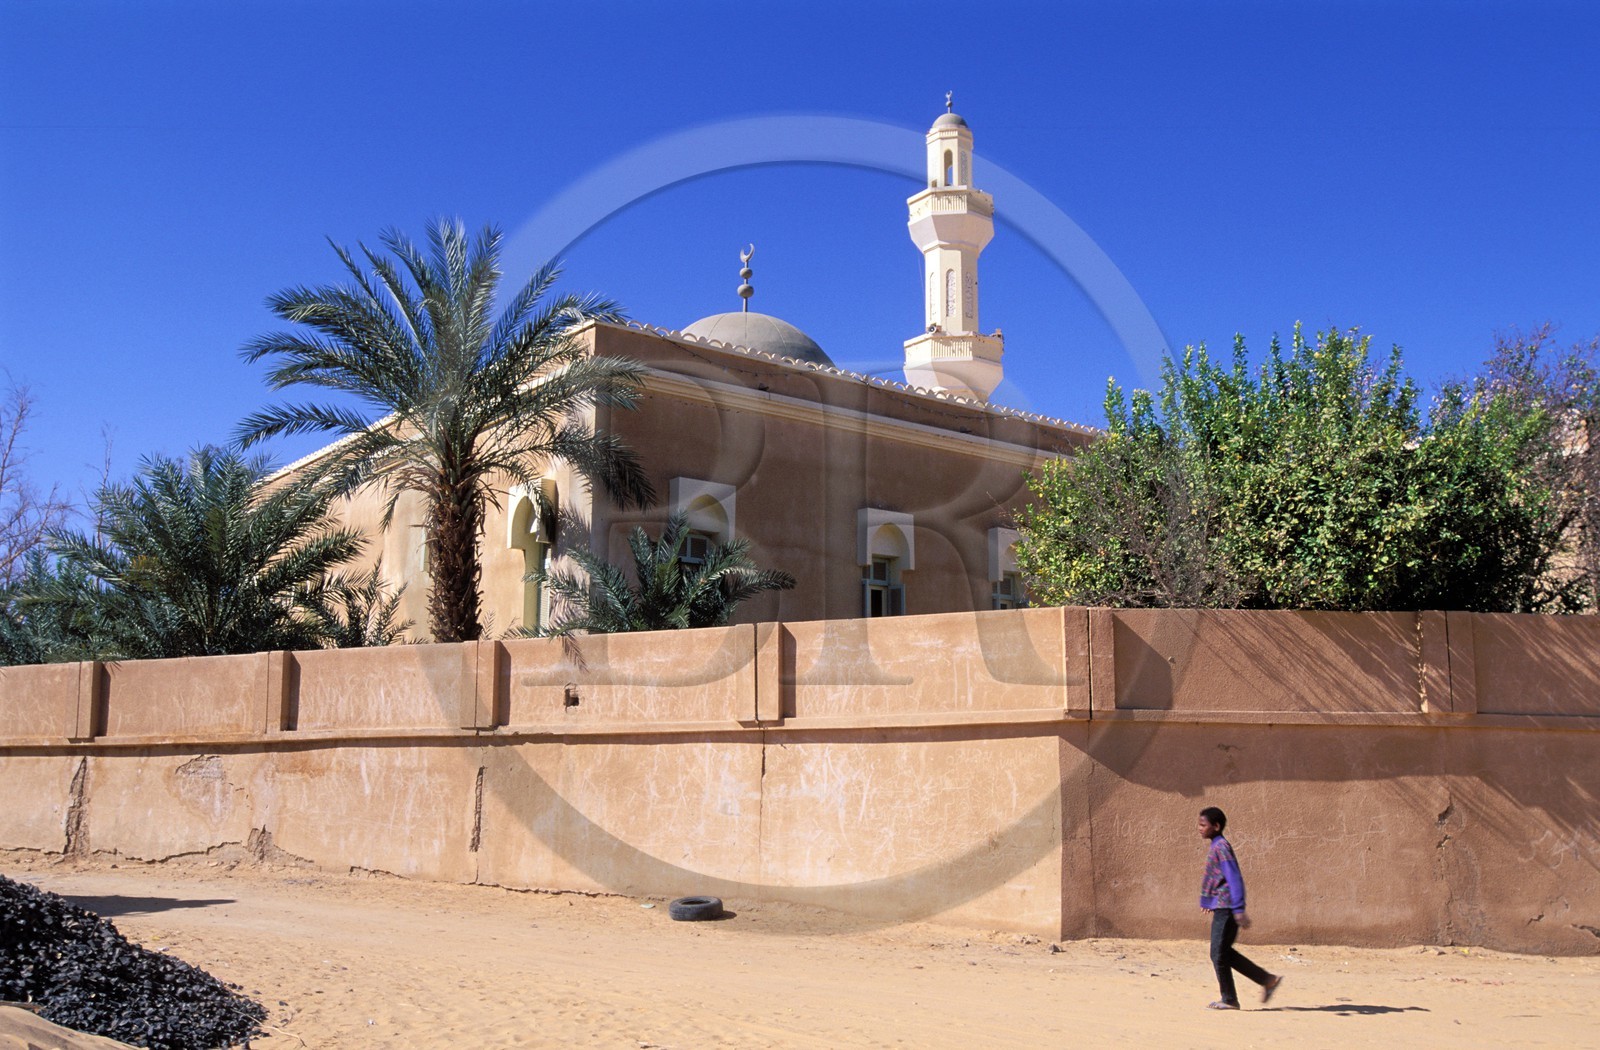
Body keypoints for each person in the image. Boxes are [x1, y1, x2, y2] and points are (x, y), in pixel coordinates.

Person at [1198, 806, 1282, 1009]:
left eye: (1203, 825)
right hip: (1223, 905)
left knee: (1218, 953)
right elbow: (1218, 878)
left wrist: (1238, 909)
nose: (1199, 828)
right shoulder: (1217, 845)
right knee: (1223, 952)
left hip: (1227, 907)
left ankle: (1230, 999)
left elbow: (1234, 877)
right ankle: (1267, 980)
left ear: (1216, 826)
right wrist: (1210, 902)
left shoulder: (1221, 847)